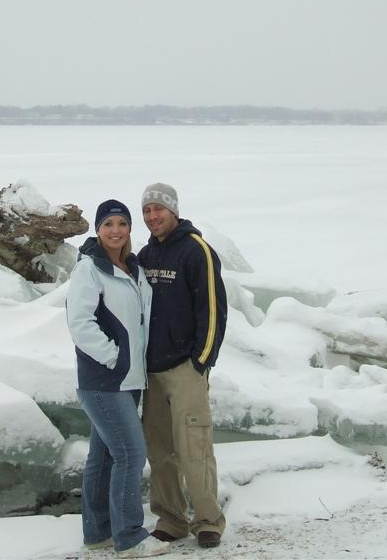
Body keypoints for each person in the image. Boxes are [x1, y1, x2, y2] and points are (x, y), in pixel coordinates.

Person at [66, 199, 170, 559]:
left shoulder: (132, 268)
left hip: (129, 379)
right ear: (98, 229)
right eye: (108, 224)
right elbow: (80, 323)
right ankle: (129, 537)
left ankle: (98, 533)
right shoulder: (89, 269)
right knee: (131, 453)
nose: (116, 230)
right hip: (104, 380)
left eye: (122, 223)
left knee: (104, 457)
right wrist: (114, 357)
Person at [138, 183, 228, 549]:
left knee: (194, 447)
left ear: (173, 210)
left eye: (158, 209)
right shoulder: (146, 255)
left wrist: (201, 362)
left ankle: (207, 521)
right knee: (160, 451)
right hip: (152, 371)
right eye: (146, 210)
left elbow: (213, 309)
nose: (152, 216)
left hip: (185, 369)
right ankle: (171, 519)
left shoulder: (196, 250)